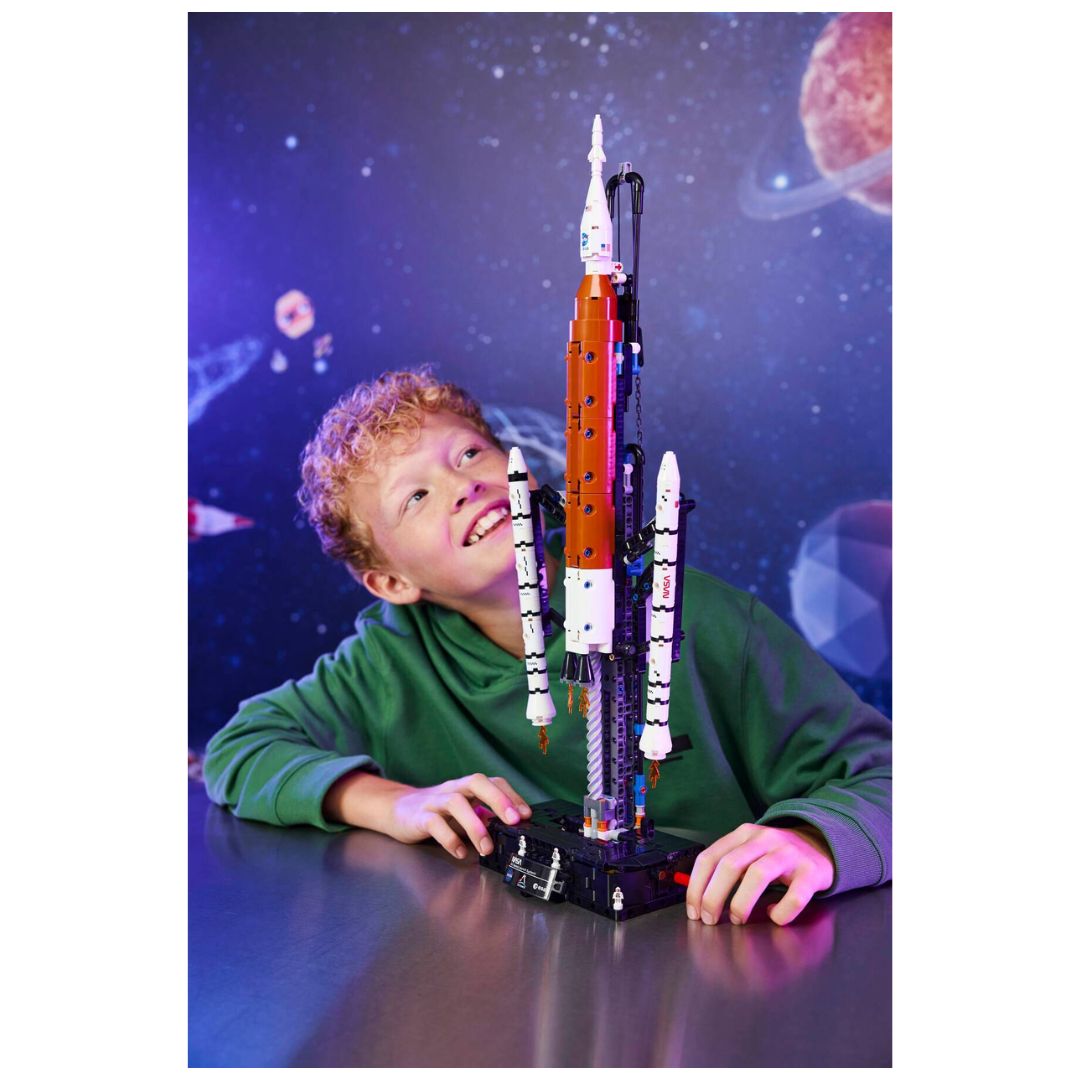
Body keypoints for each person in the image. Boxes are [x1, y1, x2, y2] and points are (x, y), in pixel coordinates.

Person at [204, 366, 891, 927]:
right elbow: (239, 749)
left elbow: (888, 777)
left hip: (714, 952)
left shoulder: (703, 619)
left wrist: (813, 841)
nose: (465, 486)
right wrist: (393, 804)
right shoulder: (385, 663)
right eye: (416, 497)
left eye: (470, 453)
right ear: (390, 582)